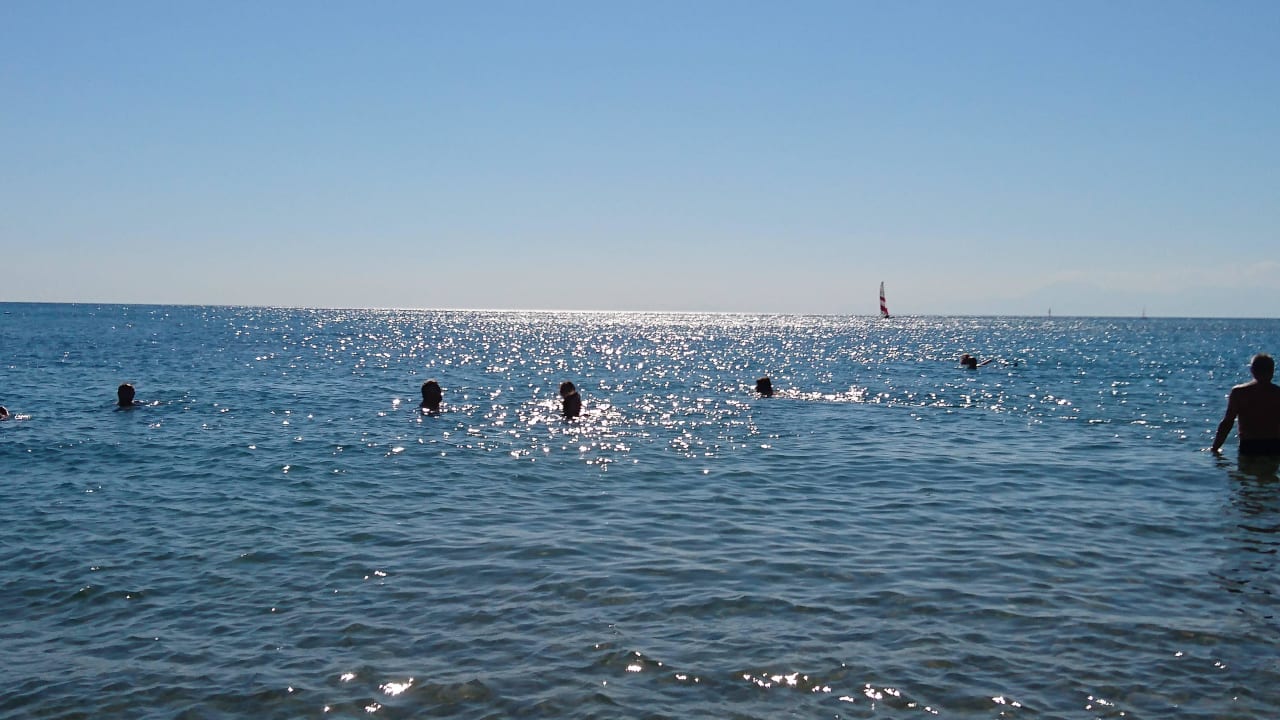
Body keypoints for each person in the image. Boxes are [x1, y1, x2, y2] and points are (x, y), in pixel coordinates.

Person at [1211, 353, 1280, 455]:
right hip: (1274, 445)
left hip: (1249, 445)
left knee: (1247, 470)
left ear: (1252, 370)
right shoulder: (1277, 393)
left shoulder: (1239, 392)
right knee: (1269, 470)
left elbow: (1227, 422)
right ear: (1272, 371)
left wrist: (1215, 448)